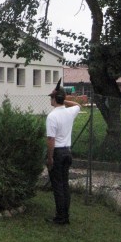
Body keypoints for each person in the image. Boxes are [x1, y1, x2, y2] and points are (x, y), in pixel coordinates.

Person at [46, 79, 81, 225]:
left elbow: (51, 139)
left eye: (51, 97)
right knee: (65, 185)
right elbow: (78, 105)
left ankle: (60, 217)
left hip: (57, 153)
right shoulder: (69, 112)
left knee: (58, 186)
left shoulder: (52, 116)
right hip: (67, 152)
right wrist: (63, 99)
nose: (50, 99)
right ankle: (65, 215)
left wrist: (50, 158)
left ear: (54, 99)